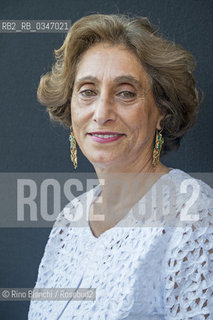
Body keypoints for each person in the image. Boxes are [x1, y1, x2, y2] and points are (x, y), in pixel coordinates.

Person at [28, 14, 213, 319]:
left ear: (161, 113)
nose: (101, 113)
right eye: (87, 91)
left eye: (126, 93)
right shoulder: (69, 220)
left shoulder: (194, 216)